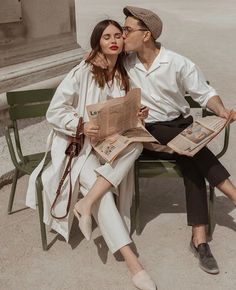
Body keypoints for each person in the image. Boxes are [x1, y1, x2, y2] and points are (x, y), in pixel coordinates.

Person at [93, 6, 236, 275]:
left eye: (127, 30)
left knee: (190, 156)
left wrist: (223, 111)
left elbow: (204, 94)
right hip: (146, 134)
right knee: (188, 145)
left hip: (178, 131)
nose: (122, 35)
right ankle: (232, 194)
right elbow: (97, 64)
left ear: (146, 35)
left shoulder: (177, 63)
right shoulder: (125, 62)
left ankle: (200, 240)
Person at [26, 19, 157, 290]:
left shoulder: (122, 73)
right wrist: (82, 125)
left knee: (136, 145)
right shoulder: (84, 71)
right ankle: (134, 264)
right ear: (97, 41)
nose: (114, 40)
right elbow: (55, 111)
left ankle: (86, 204)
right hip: (80, 146)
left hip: (109, 142)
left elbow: (121, 110)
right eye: (106, 36)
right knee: (100, 192)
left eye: (118, 36)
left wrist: (137, 113)